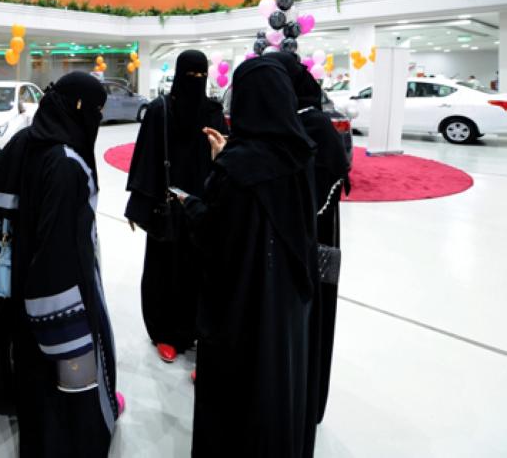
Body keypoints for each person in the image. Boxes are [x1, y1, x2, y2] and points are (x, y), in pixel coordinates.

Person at [177, 56, 318, 458]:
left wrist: (189, 204)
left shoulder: (237, 168)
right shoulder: (300, 156)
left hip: (240, 308)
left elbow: (215, 237)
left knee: (238, 396)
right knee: (279, 383)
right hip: (287, 303)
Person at [0, 72, 119, 457]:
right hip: (61, 292)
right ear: (78, 109)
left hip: (24, 281)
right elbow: (60, 250)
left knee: (33, 378)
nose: (98, 119)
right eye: (96, 111)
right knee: (68, 382)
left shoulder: (28, 140)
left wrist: (20, 219)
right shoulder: (67, 163)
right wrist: (68, 322)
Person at [124, 50, 227, 363]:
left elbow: (224, 159)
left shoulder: (213, 110)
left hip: (202, 208)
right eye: (190, 75)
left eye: (200, 75)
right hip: (167, 206)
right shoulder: (160, 110)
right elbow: (146, 157)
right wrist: (138, 206)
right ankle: (164, 332)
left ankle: (195, 330)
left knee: (200, 273)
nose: (195, 82)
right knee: (163, 271)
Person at [267, 52, 350, 429]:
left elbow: (310, 198)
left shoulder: (313, 127)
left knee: (311, 322)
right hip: (307, 242)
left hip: (313, 246)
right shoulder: (297, 123)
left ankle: (304, 400)